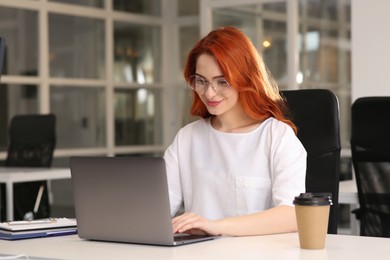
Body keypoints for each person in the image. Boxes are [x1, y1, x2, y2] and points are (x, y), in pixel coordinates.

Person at [164, 26, 306, 237]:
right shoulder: (188, 138)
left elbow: (293, 215)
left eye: (222, 81)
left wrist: (217, 226)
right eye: (201, 81)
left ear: (246, 79)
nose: (209, 92)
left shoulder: (277, 137)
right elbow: (157, 205)